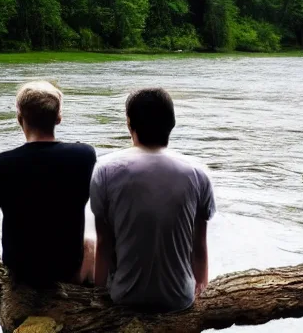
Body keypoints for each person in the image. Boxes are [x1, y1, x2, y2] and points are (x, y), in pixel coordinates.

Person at [90, 88, 215, 312]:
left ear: (129, 124)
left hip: (124, 297)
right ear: (172, 124)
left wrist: (98, 297)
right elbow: (199, 245)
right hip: (179, 299)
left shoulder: (105, 170)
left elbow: (104, 244)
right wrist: (200, 290)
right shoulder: (198, 173)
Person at [0, 81, 96, 287]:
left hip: (20, 267)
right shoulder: (84, 155)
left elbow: (0, 202)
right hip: (65, 264)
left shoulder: (0, 164)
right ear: (59, 118)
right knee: (91, 235)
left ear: (20, 119)